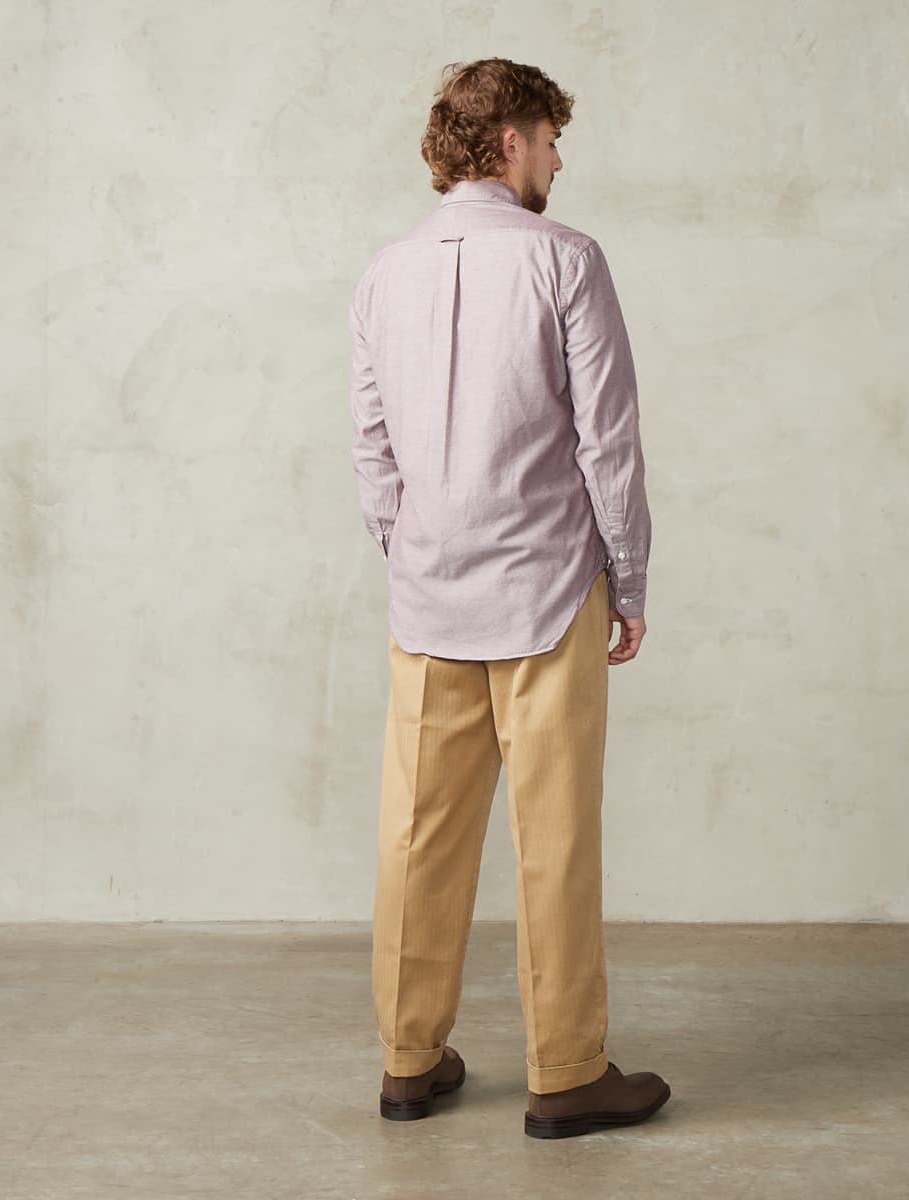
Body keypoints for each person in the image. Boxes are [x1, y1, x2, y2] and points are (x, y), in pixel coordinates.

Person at [348, 57, 670, 1139]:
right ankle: (566, 1073)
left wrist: (414, 550)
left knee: (416, 836)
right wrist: (627, 578)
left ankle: (407, 1061)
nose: (558, 160)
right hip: (546, 590)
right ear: (508, 142)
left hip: (427, 601)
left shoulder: (383, 273)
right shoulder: (565, 259)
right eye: (549, 139)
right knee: (555, 839)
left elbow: (372, 448)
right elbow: (607, 441)